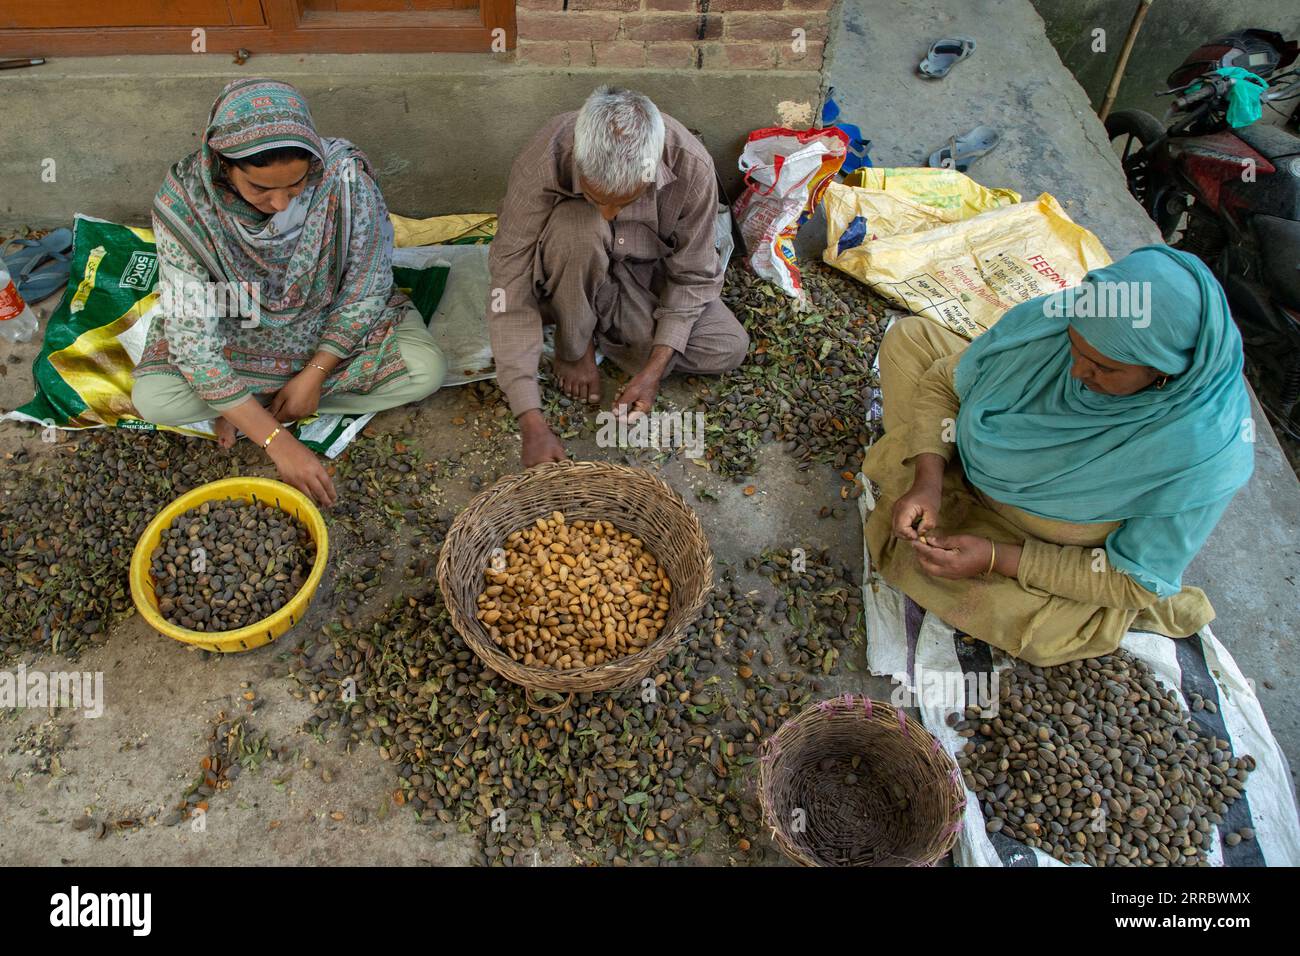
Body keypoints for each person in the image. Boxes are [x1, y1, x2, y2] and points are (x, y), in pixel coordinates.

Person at [863, 246, 1254, 666]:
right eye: (1074, 346)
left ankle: (987, 541)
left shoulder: (1204, 450)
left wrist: (997, 557)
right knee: (910, 340)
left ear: (1164, 373)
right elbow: (944, 384)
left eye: (1105, 368)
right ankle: (944, 488)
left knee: (1037, 625)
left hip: (1044, 538)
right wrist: (928, 482)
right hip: (969, 461)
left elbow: (1132, 582)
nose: (1077, 374)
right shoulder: (1063, 319)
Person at [132, 78, 446, 506]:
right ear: (223, 165)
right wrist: (278, 442)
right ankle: (259, 406)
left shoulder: (344, 178)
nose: (280, 203)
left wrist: (315, 373)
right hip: (238, 326)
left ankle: (249, 405)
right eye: (261, 188)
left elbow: (366, 287)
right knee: (155, 401)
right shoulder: (185, 201)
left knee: (425, 371)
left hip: (326, 319)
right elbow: (194, 343)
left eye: (296, 184)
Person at [486, 85, 749, 467]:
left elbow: (693, 276)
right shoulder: (547, 154)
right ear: (579, 163)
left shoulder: (691, 165)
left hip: (642, 277)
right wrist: (530, 418)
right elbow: (508, 279)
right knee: (581, 227)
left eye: (623, 202)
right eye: (596, 197)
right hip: (572, 258)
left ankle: (588, 323)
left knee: (727, 346)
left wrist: (655, 370)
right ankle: (574, 345)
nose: (609, 213)